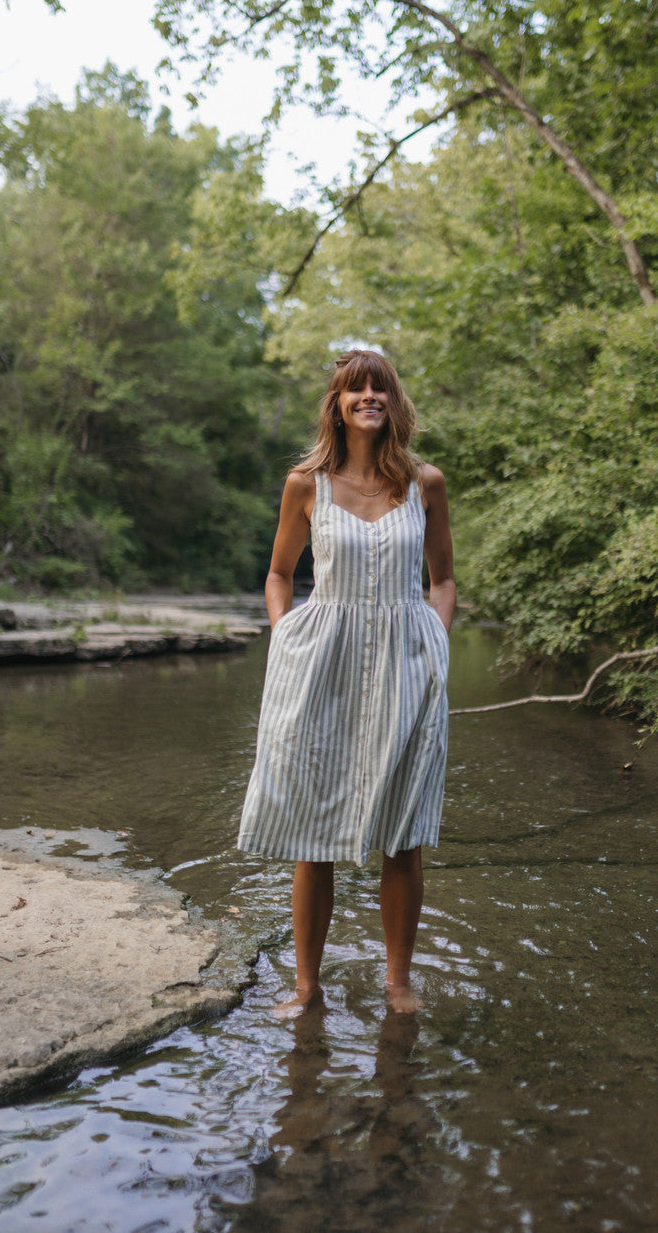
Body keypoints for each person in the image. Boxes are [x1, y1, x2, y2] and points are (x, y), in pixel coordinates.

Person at [238, 349, 455, 1016]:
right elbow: (279, 573)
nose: (368, 396)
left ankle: (397, 984)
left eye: (380, 387)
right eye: (355, 388)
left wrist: (436, 644)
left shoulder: (425, 483)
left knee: (403, 832)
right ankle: (307, 987)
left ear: (395, 401)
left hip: (406, 667)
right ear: (336, 403)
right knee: (313, 831)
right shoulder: (307, 483)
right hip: (323, 667)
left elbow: (442, 579)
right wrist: (284, 636)